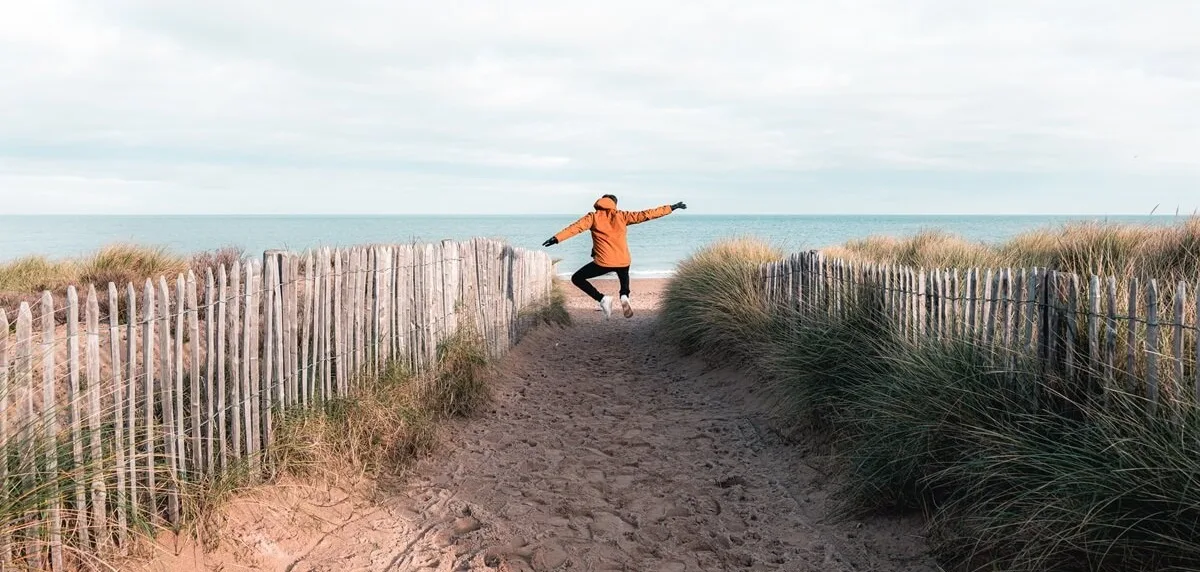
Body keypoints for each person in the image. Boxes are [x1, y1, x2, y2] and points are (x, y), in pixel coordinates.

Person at [542, 194, 687, 319]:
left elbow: (575, 228)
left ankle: (602, 298)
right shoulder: (622, 216)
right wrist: (671, 207)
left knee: (577, 278)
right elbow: (646, 214)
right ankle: (624, 295)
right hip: (623, 260)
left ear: (599, 203)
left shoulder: (593, 217)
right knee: (623, 274)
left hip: (603, 262)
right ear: (614, 204)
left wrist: (556, 238)